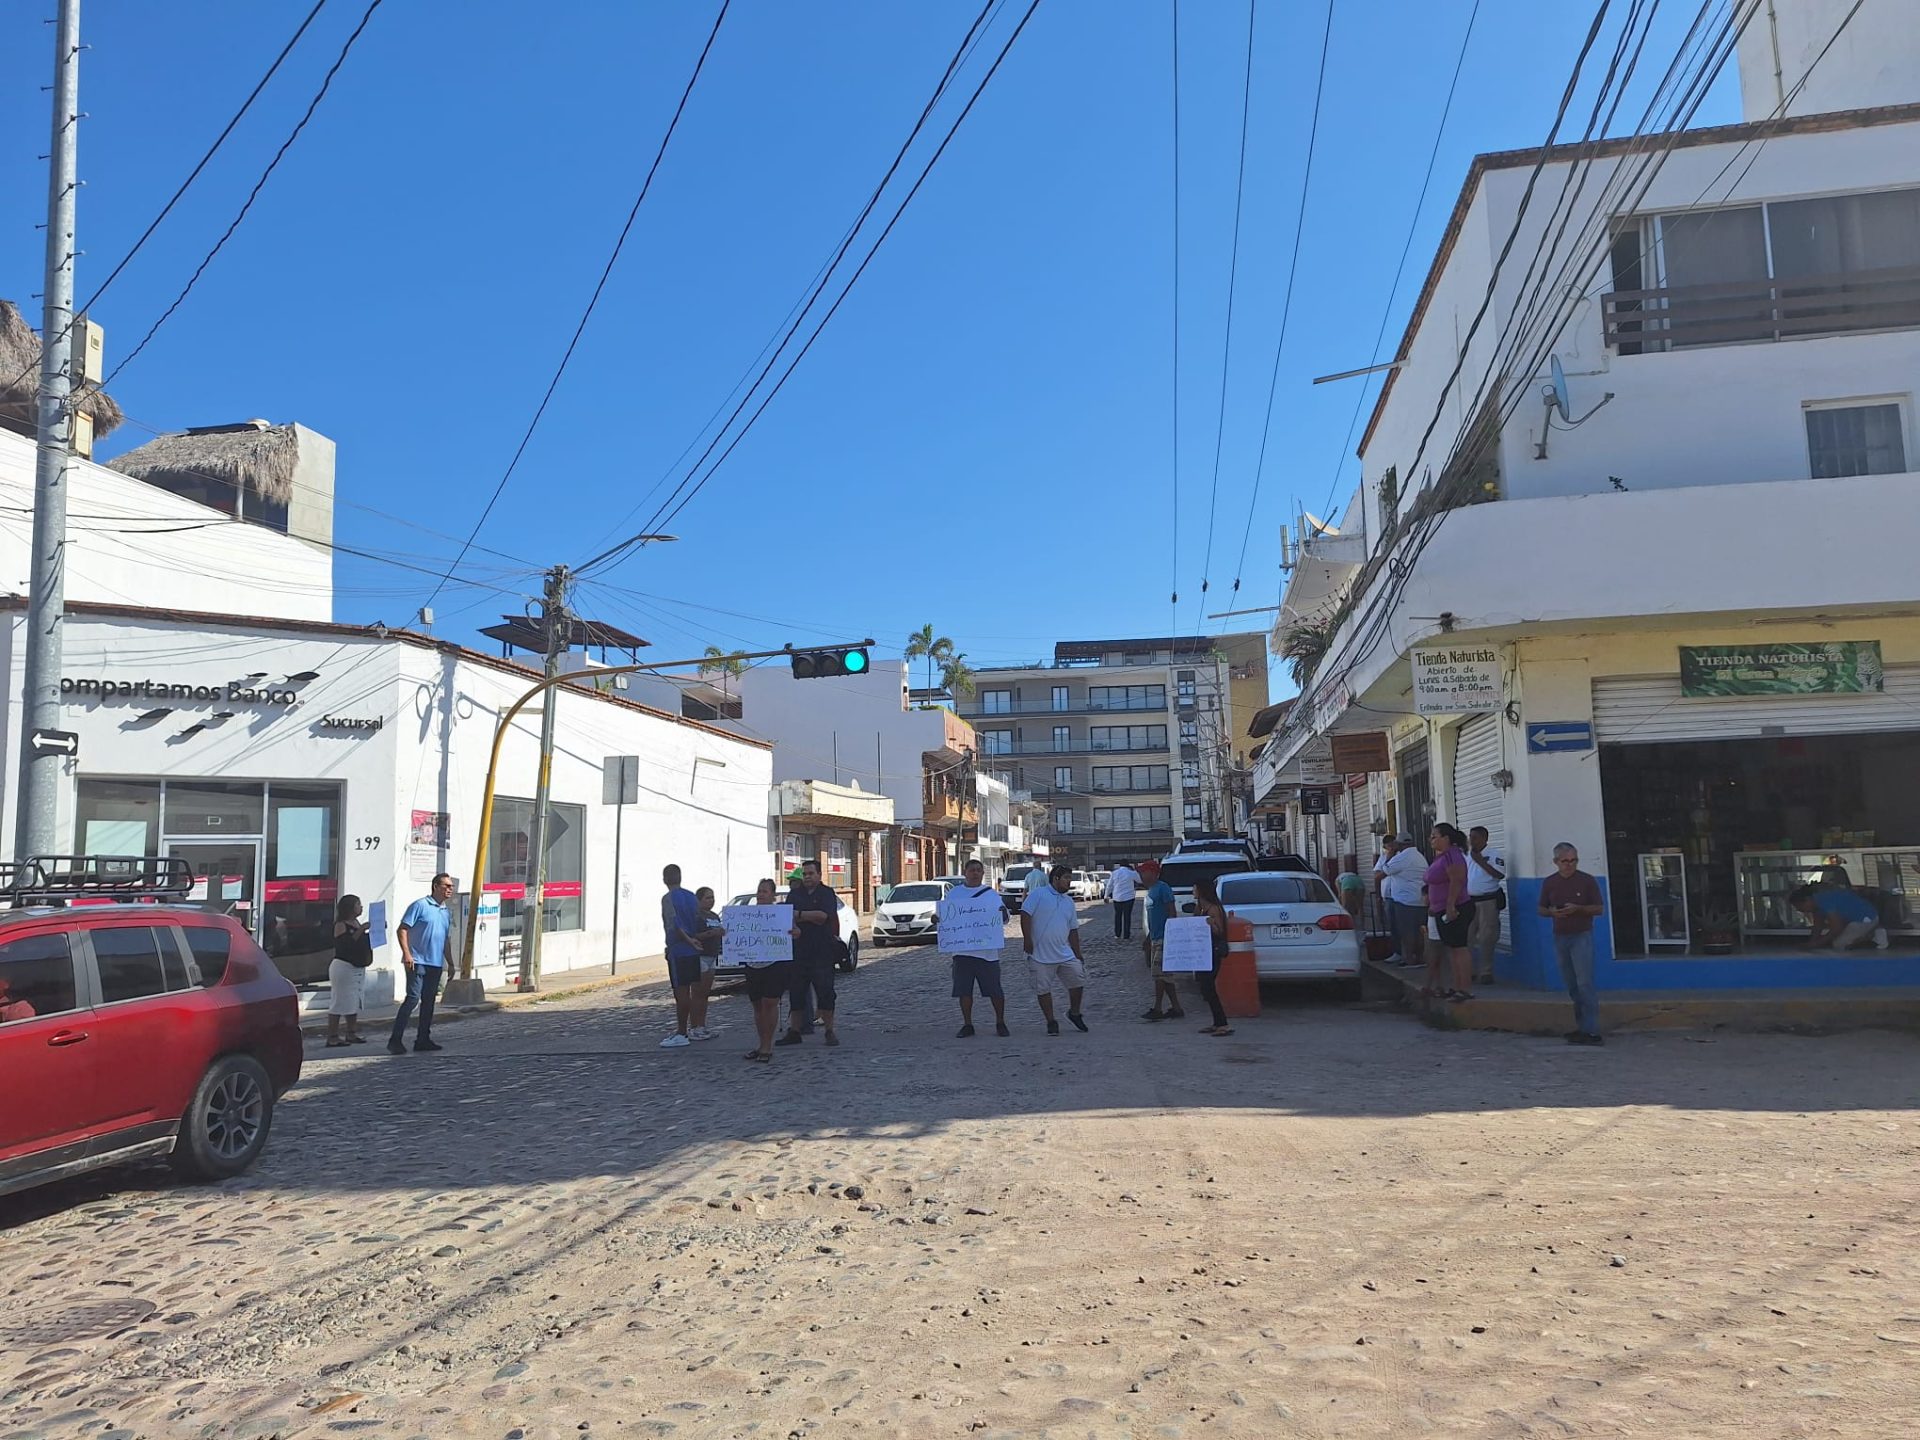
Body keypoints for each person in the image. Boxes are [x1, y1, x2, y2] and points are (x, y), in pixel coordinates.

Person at [1539, 842, 1606, 1046]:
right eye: (1565, 861)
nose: (1569, 865)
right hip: (1560, 936)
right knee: (1572, 984)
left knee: (1585, 982)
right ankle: (1581, 1027)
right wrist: (1552, 912)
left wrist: (1579, 909)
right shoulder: (1550, 883)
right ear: (1556, 862)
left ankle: (1592, 1030)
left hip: (1581, 935)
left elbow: (1599, 908)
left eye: (1573, 860)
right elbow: (1540, 908)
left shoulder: (1587, 881)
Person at [943, 858, 1010, 1038]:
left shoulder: (991, 895)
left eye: (978, 870)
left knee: (995, 990)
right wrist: (938, 919)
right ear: (965, 872)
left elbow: (1004, 918)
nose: (975, 873)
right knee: (964, 991)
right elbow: (945, 916)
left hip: (987, 953)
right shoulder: (954, 894)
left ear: (982, 873)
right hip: (962, 952)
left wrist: (1002, 913)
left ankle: (1000, 1022)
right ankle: (967, 1024)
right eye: (971, 869)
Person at [778, 859, 842, 1048]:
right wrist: (803, 918)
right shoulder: (795, 894)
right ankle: (795, 1031)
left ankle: (829, 1030)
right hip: (799, 952)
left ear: (819, 875)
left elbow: (822, 917)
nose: (807, 877)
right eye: (805, 874)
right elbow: (786, 917)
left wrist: (798, 915)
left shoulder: (826, 893)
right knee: (796, 994)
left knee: (826, 992)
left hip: (822, 952)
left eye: (811, 873)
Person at [390, 872, 454, 1055]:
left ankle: (423, 1038)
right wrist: (407, 954)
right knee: (412, 999)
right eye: (446, 886)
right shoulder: (420, 905)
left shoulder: (445, 912)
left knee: (429, 1002)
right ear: (436, 886)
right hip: (417, 961)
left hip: (435, 963)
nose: (450, 889)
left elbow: (445, 939)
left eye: (451, 886)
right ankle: (395, 1040)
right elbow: (402, 929)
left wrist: (450, 962)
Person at [1019, 863, 1088, 1035]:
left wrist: (1077, 952)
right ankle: (1051, 1021)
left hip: (1064, 952)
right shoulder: (1038, 894)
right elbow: (1025, 914)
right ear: (1056, 878)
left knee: (1078, 979)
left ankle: (1074, 1013)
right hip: (1039, 953)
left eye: (1070, 879)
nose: (1069, 882)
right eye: (1066, 878)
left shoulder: (1069, 901)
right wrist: (1027, 939)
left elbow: (1073, 929)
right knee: (1043, 988)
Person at [736, 878, 796, 1062]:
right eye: (759, 891)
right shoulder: (747, 915)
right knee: (757, 1005)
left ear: (772, 894)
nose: (761, 894)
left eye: (765, 891)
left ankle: (767, 1046)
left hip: (775, 964)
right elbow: (735, 931)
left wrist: (795, 933)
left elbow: (795, 930)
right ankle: (761, 1042)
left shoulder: (781, 914)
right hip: (753, 964)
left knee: (769, 1003)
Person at [659, 865, 710, 1049]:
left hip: (679, 950)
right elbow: (698, 920)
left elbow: (674, 924)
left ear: (665, 879)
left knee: (681, 993)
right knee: (692, 991)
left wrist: (688, 940)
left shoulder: (668, 899)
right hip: (693, 951)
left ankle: (682, 1031)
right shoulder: (691, 897)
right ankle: (695, 1026)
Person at [1424, 824, 1473, 1002]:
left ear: (1446, 838)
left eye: (1434, 836)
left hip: (1455, 908)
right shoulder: (1441, 857)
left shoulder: (1453, 855)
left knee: (1459, 948)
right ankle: (1457, 986)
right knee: (1452, 949)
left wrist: (1451, 905)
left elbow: (1457, 880)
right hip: (1440, 909)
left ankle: (1465, 989)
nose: (1431, 839)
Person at [1188, 874, 1234, 1037]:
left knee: (1209, 987)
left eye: (1195, 888)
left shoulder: (1214, 909)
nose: (1193, 891)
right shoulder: (1199, 907)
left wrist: (1210, 924)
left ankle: (1223, 1023)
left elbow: (1219, 931)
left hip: (1212, 951)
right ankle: (1217, 1022)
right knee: (1204, 987)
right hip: (1201, 951)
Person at [1140, 860, 1185, 1021]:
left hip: (1165, 938)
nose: (1142, 875)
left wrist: (1171, 937)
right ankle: (1176, 1007)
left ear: (1153, 873)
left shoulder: (1163, 888)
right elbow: (1152, 919)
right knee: (1166, 976)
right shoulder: (1151, 891)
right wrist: (1148, 937)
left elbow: (1172, 913)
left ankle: (1158, 1008)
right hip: (1155, 937)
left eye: (1144, 872)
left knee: (1159, 975)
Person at [326, 893, 372, 1048]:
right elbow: (346, 944)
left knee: (353, 1001)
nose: (361, 907)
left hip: (357, 967)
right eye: (358, 904)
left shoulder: (356, 923)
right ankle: (332, 1036)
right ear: (351, 907)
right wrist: (362, 929)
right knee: (339, 1001)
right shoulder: (341, 925)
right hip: (343, 967)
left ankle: (351, 1032)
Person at [1376, 836, 1428, 967]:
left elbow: (1386, 869)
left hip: (1405, 901)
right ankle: (1420, 958)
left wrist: (1389, 854)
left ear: (1399, 844)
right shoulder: (1419, 856)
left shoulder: (1402, 857)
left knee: (1407, 931)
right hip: (1420, 899)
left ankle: (1409, 959)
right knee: (1419, 931)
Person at [1465, 825, 1507, 985]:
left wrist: (1481, 862)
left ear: (1484, 838)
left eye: (1475, 837)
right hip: (1470, 901)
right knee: (1467, 937)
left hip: (1488, 901)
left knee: (1487, 938)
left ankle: (1486, 971)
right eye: (1470, 837)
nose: (1471, 840)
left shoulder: (1494, 854)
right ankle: (1469, 971)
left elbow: (1499, 874)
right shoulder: (1467, 855)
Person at [1791, 884, 1879, 950]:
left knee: (1840, 944)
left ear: (1807, 900)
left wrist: (1817, 944)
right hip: (1853, 920)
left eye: (1800, 907)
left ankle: (1873, 937)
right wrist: (1811, 943)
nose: (1800, 910)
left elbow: (1837, 928)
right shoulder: (1816, 904)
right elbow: (1818, 926)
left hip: (1866, 918)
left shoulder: (1824, 901)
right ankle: (1871, 934)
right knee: (1837, 941)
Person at [1105, 861, 1141, 940]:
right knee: (1127, 916)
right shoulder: (1131, 872)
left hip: (1117, 897)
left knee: (1118, 916)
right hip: (1129, 897)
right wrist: (1134, 871)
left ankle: (1117, 934)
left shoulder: (1114, 873)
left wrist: (1106, 896)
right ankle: (1126, 935)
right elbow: (1139, 880)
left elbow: (1109, 885)